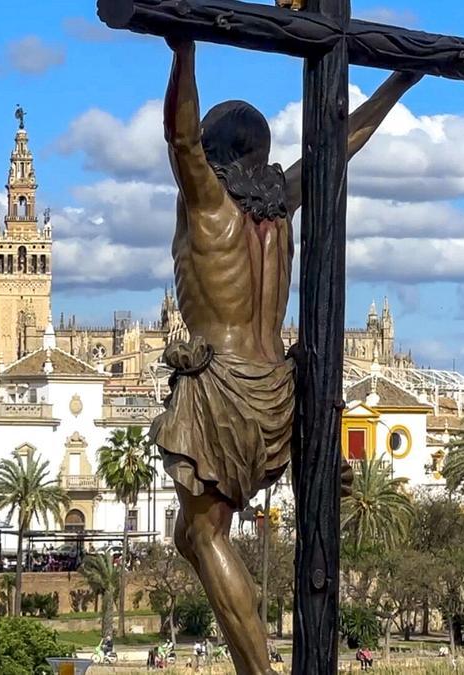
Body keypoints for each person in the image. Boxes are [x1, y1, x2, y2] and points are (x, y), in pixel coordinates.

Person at [154, 36, 421, 675]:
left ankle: (259, 671)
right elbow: (343, 143)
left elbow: (178, 137)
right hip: (280, 392)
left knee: (206, 535)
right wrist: (399, 82)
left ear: (214, 157)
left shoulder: (209, 205)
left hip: (222, 388)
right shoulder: (280, 209)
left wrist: (183, 52)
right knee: (188, 536)